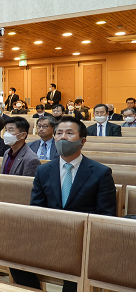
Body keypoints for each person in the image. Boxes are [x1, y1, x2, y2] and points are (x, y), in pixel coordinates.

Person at [14, 116, 116, 291]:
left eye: (69, 133)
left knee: (75, 270)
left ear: (82, 141)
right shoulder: (44, 170)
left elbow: (106, 215)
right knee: (11, 254)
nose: (62, 137)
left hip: (84, 240)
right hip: (49, 234)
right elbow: (36, 208)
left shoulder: (101, 173)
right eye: (59, 133)